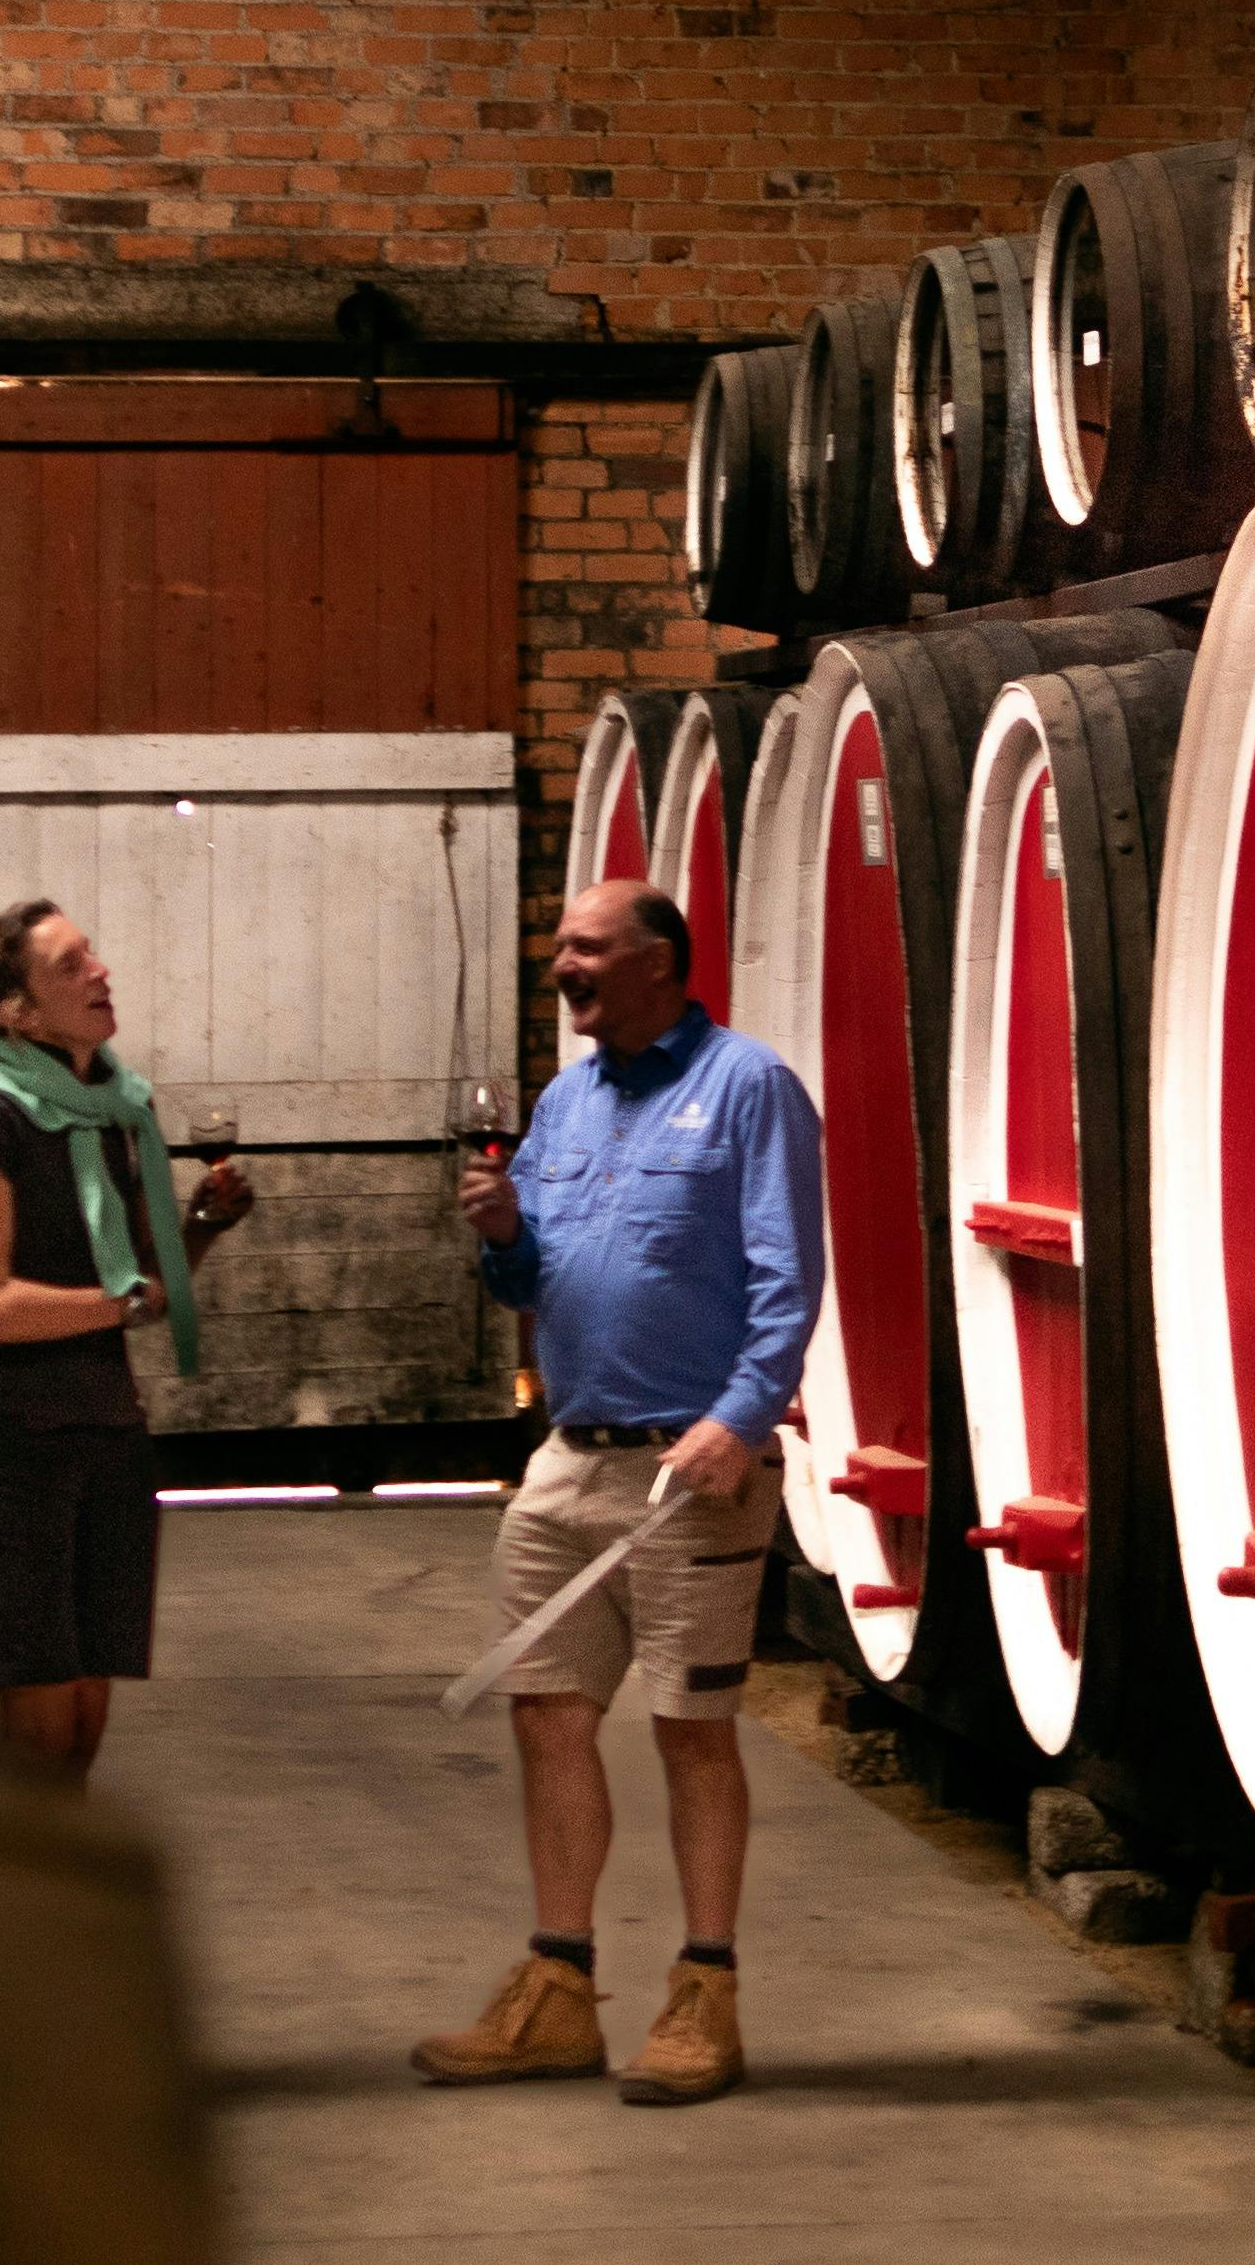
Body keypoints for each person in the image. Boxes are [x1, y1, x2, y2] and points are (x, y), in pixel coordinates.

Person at [413, 877, 823, 2108]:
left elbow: (788, 1276)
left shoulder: (747, 1086)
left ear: (656, 960)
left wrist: (737, 1419)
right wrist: (501, 1232)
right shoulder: (565, 1097)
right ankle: (556, 1988)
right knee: (544, 1709)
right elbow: (527, 1281)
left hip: (686, 1465)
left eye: (585, 945)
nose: (561, 963)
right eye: (558, 945)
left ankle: (705, 1990)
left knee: (691, 1726)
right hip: (567, 1456)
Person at [0, 896, 256, 1785]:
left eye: (94, 955)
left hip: (109, 1435)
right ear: (18, 1012)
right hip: (16, 1443)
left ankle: (49, 1884)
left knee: (79, 1730)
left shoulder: (115, 1112)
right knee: (37, 1736)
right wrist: (127, 1306)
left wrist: (202, 1227)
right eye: (70, 965)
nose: (100, 971)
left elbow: (145, 1279)